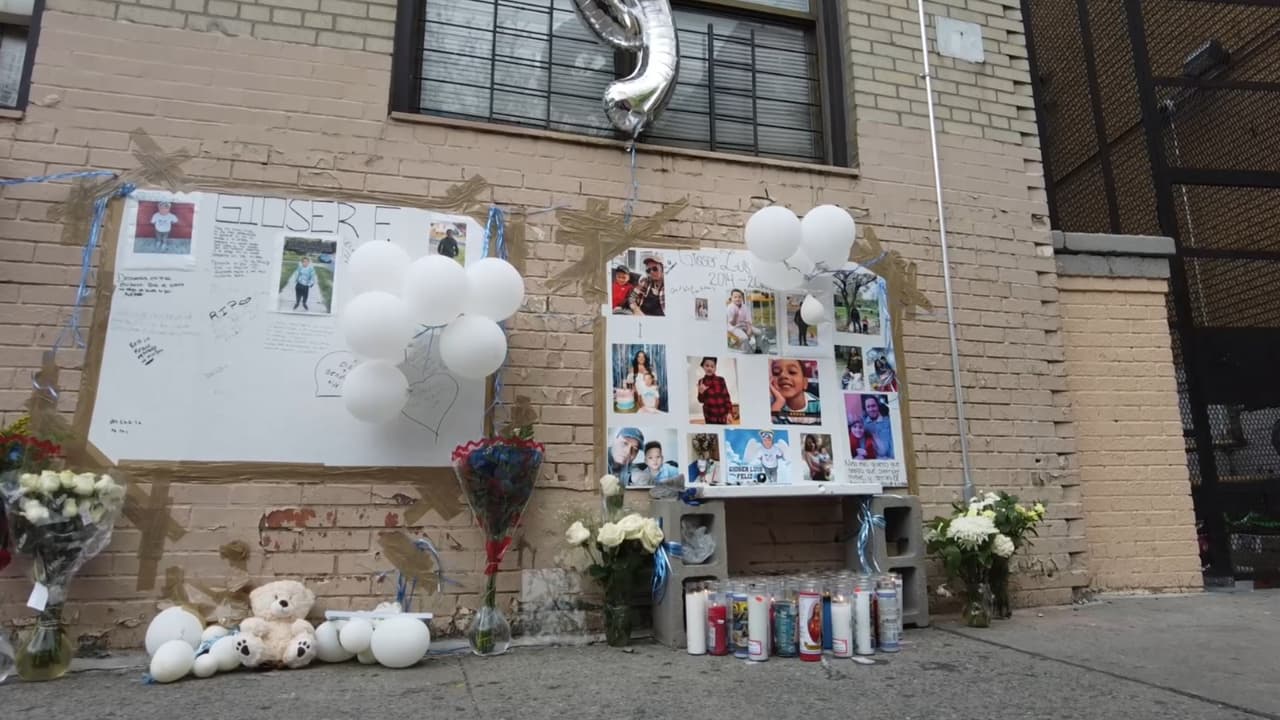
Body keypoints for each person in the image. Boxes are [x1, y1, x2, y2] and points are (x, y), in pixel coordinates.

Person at [770, 359, 820, 425]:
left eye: (792, 372)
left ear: (805, 383)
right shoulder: (773, 405)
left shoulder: (818, 406)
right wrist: (779, 402)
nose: (783, 375)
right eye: (776, 373)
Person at [695, 356, 732, 424]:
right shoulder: (701, 381)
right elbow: (701, 400)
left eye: (712, 366)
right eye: (707, 365)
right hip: (709, 416)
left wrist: (729, 412)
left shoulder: (721, 380)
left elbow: (726, 397)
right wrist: (701, 392)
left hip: (723, 416)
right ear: (703, 366)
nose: (709, 368)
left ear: (715, 368)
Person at [726, 289, 763, 353]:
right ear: (731, 298)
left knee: (759, 332)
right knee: (745, 338)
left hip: (744, 325)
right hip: (734, 327)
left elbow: (748, 320)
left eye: (739, 297)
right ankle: (746, 351)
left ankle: (758, 348)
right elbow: (732, 324)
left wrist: (749, 329)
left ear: (742, 298)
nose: (738, 299)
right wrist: (735, 316)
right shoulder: (730, 308)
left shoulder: (745, 307)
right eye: (735, 297)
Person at [862, 395, 893, 459]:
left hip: (889, 459)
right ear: (865, 409)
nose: (871, 409)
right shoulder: (863, 424)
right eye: (868, 407)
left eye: (873, 406)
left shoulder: (889, 421)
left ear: (878, 406)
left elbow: (894, 442)